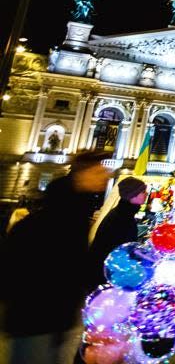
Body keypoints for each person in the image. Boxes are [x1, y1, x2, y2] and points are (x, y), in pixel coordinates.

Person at [1, 148, 112, 364]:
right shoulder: (52, 221)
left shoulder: (76, 214)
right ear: (83, 173)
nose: (105, 175)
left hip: (60, 320)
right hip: (35, 321)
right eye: (99, 171)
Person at [88, 177, 147, 289]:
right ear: (132, 196)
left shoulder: (124, 213)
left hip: (107, 273)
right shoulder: (121, 218)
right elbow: (119, 249)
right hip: (107, 276)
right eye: (143, 191)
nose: (146, 194)